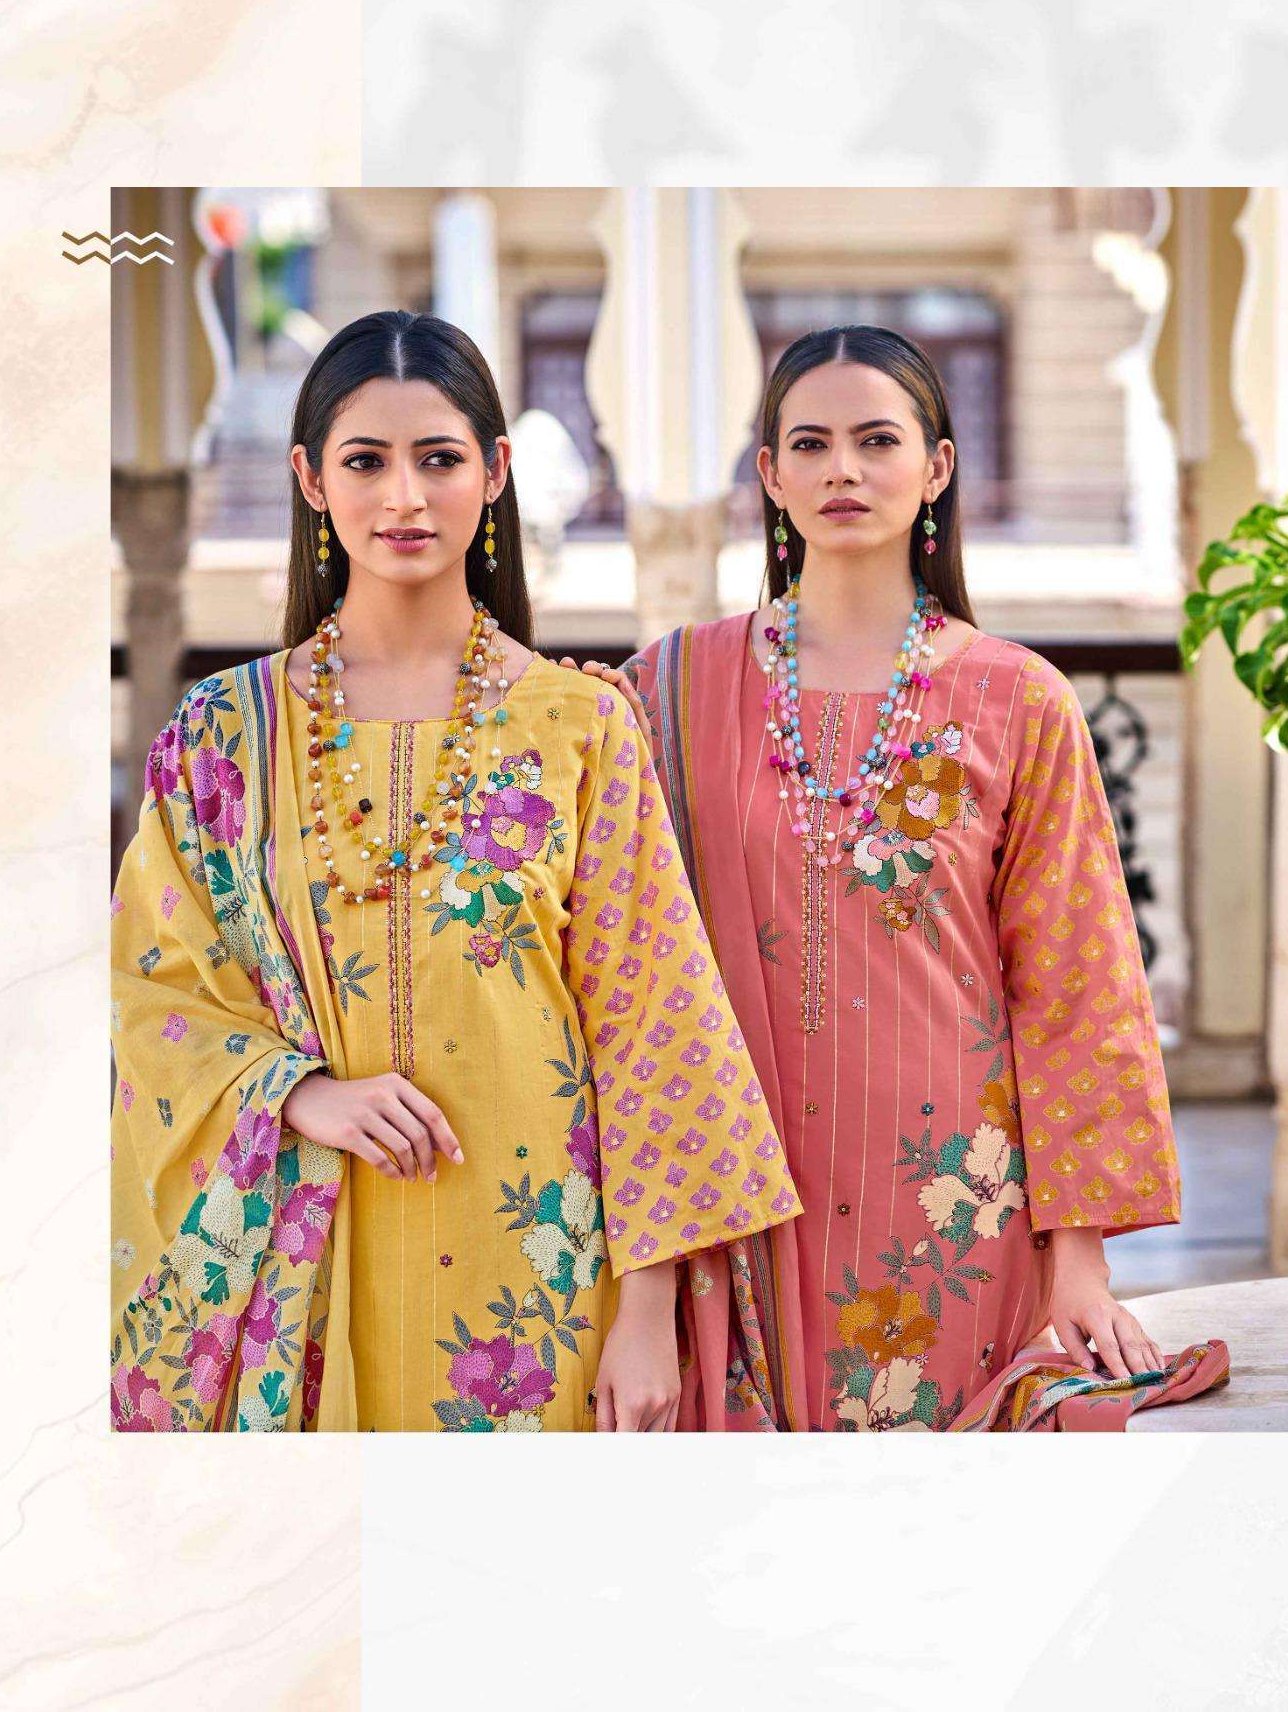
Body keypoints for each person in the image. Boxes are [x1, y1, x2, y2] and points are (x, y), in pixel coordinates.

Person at [109, 310, 801, 1432]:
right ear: (309, 478)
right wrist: (301, 1094)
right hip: (302, 1274)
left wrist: (645, 1313)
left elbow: (654, 1027)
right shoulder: (220, 735)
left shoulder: (579, 724)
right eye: (365, 462)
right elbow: (154, 993)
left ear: (495, 471)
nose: (405, 498)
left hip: (538, 1282)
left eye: (438, 459)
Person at [610, 325, 1227, 1431]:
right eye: (810, 444)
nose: (842, 469)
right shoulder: (670, 686)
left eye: (876, 440)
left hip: (951, 1200)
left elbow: (1076, 988)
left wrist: (1078, 1262)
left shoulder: (1018, 699)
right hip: (728, 1198)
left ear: (937, 466)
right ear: (770, 474)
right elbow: (626, 973)